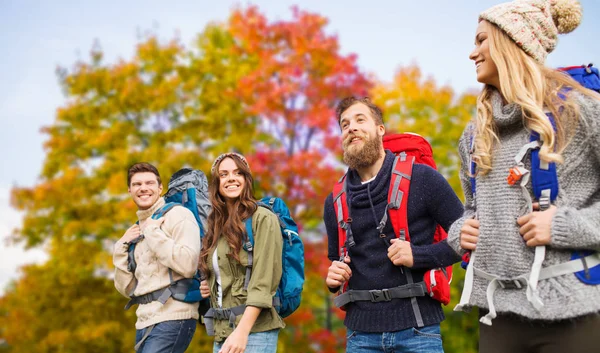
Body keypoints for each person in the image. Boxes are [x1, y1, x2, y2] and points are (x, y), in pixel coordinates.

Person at [448, 0, 600, 352]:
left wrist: (563, 225)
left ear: (513, 42)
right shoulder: (475, 136)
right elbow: (471, 209)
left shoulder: (582, 111)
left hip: (574, 316)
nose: (473, 53)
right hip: (498, 318)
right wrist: (462, 231)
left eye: (482, 40)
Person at [323, 97, 463, 352]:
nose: (351, 127)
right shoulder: (334, 201)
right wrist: (333, 277)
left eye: (360, 120)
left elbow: (467, 236)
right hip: (359, 336)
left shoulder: (423, 179)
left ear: (380, 129)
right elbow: (336, 260)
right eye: (344, 125)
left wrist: (419, 255)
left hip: (418, 332)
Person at [199, 152, 284, 353]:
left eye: (238, 173)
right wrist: (210, 283)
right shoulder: (216, 225)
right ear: (217, 183)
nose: (231, 178)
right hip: (222, 332)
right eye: (224, 174)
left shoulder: (262, 219)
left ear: (246, 179)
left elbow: (263, 281)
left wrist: (242, 332)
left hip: (253, 333)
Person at [113, 162, 200, 352]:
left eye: (149, 183)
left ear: (160, 188)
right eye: (137, 184)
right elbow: (128, 289)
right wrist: (121, 247)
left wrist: (153, 232)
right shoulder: (136, 230)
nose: (143, 188)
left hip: (174, 316)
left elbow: (188, 264)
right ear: (129, 190)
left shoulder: (178, 214)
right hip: (144, 320)